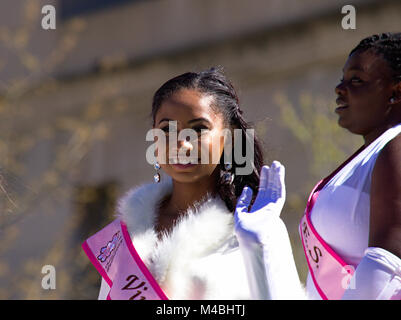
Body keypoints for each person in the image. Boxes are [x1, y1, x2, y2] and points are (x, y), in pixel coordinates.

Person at [83, 67, 301, 300]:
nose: (182, 145)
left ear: (230, 139)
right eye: (167, 129)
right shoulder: (126, 233)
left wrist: (257, 249)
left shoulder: (257, 227)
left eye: (199, 129)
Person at [235, 32, 401, 300]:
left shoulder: (397, 143)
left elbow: (389, 263)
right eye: (341, 79)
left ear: (396, 91)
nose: (339, 88)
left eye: (356, 80)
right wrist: (264, 238)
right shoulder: (372, 153)